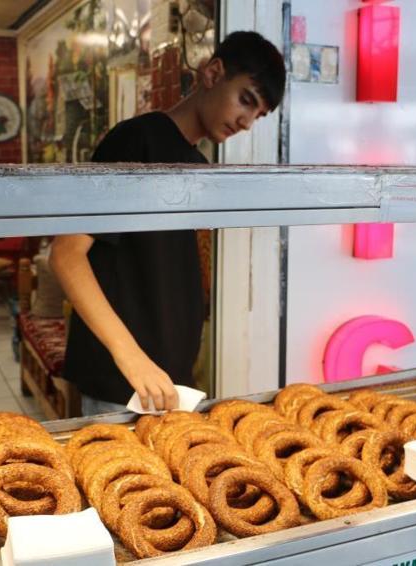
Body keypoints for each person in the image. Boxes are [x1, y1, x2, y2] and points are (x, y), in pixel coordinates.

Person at [50, 31, 286, 416]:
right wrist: (132, 359)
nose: (246, 122)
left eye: (257, 115)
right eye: (245, 99)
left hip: (168, 381)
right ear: (213, 74)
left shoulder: (195, 164)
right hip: (122, 384)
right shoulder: (135, 140)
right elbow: (66, 254)